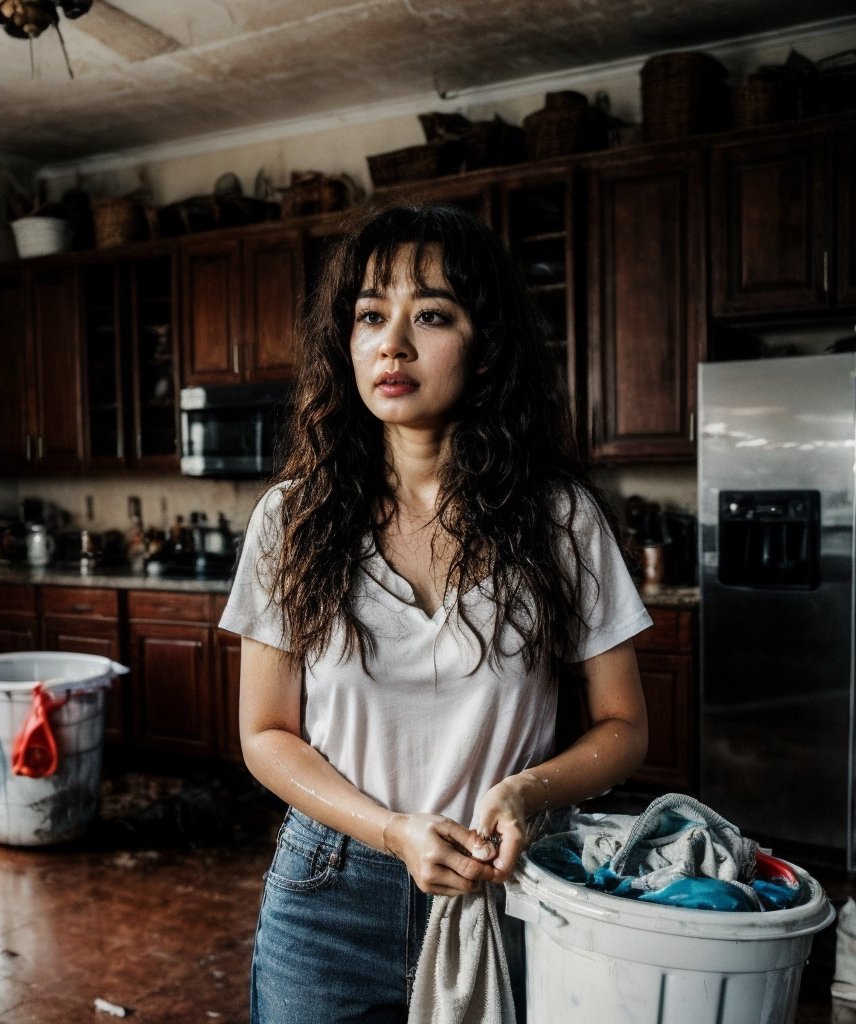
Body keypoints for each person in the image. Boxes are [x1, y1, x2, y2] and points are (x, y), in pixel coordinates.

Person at [220, 202, 651, 1023]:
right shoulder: (291, 520)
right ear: (344, 345)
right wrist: (391, 832)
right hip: (329, 896)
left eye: (433, 315)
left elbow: (625, 723)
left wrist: (529, 790)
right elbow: (264, 734)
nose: (394, 343)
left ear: (483, 340)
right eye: (370, 316)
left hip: (511, 885)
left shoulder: (560, 519)